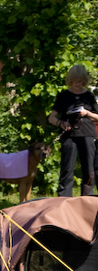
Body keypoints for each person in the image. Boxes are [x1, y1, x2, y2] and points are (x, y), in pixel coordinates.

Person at [48, 65, 98, 196]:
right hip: (69, 135)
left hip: (87, 134)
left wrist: (87, 113)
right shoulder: (63, 96)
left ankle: (87, 199)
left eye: (81, 81)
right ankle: (63, 200)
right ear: (70, 80)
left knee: (89, 169)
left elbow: (97, 116)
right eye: (75, 81)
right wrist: (60, 123)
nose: (78, 84)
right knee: (67, 169)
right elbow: (51, 117)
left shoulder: (89, 96)